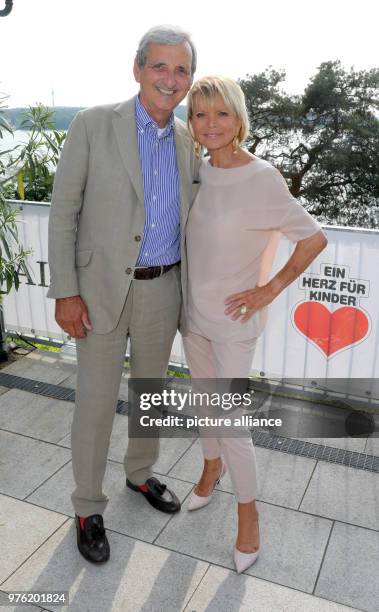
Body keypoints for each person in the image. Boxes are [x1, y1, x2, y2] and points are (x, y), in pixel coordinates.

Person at [47, 25, 199, 563]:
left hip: (164, 288)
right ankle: (88, 505)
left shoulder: (189, 139)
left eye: (181, 69)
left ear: (189, 81)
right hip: (101, 290)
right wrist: (66, 291)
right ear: (137, 69)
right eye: (159, 66)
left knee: (151, 394)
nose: (170, 78)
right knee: (93, 403)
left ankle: (141, 474)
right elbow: (64, 212)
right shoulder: (93, 124)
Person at [183, 76, 327, 573]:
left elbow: (313, 239)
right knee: (203, 405)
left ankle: (249, 518)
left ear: (239, 118)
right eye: (200, 114)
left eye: (221, 113)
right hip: (191, 315)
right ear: (192, 123)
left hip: (233, 321)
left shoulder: (262, 177)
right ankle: (208, 472)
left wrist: (268, 290)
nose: (211, 124)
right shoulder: (197, 171)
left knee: (231, 422)